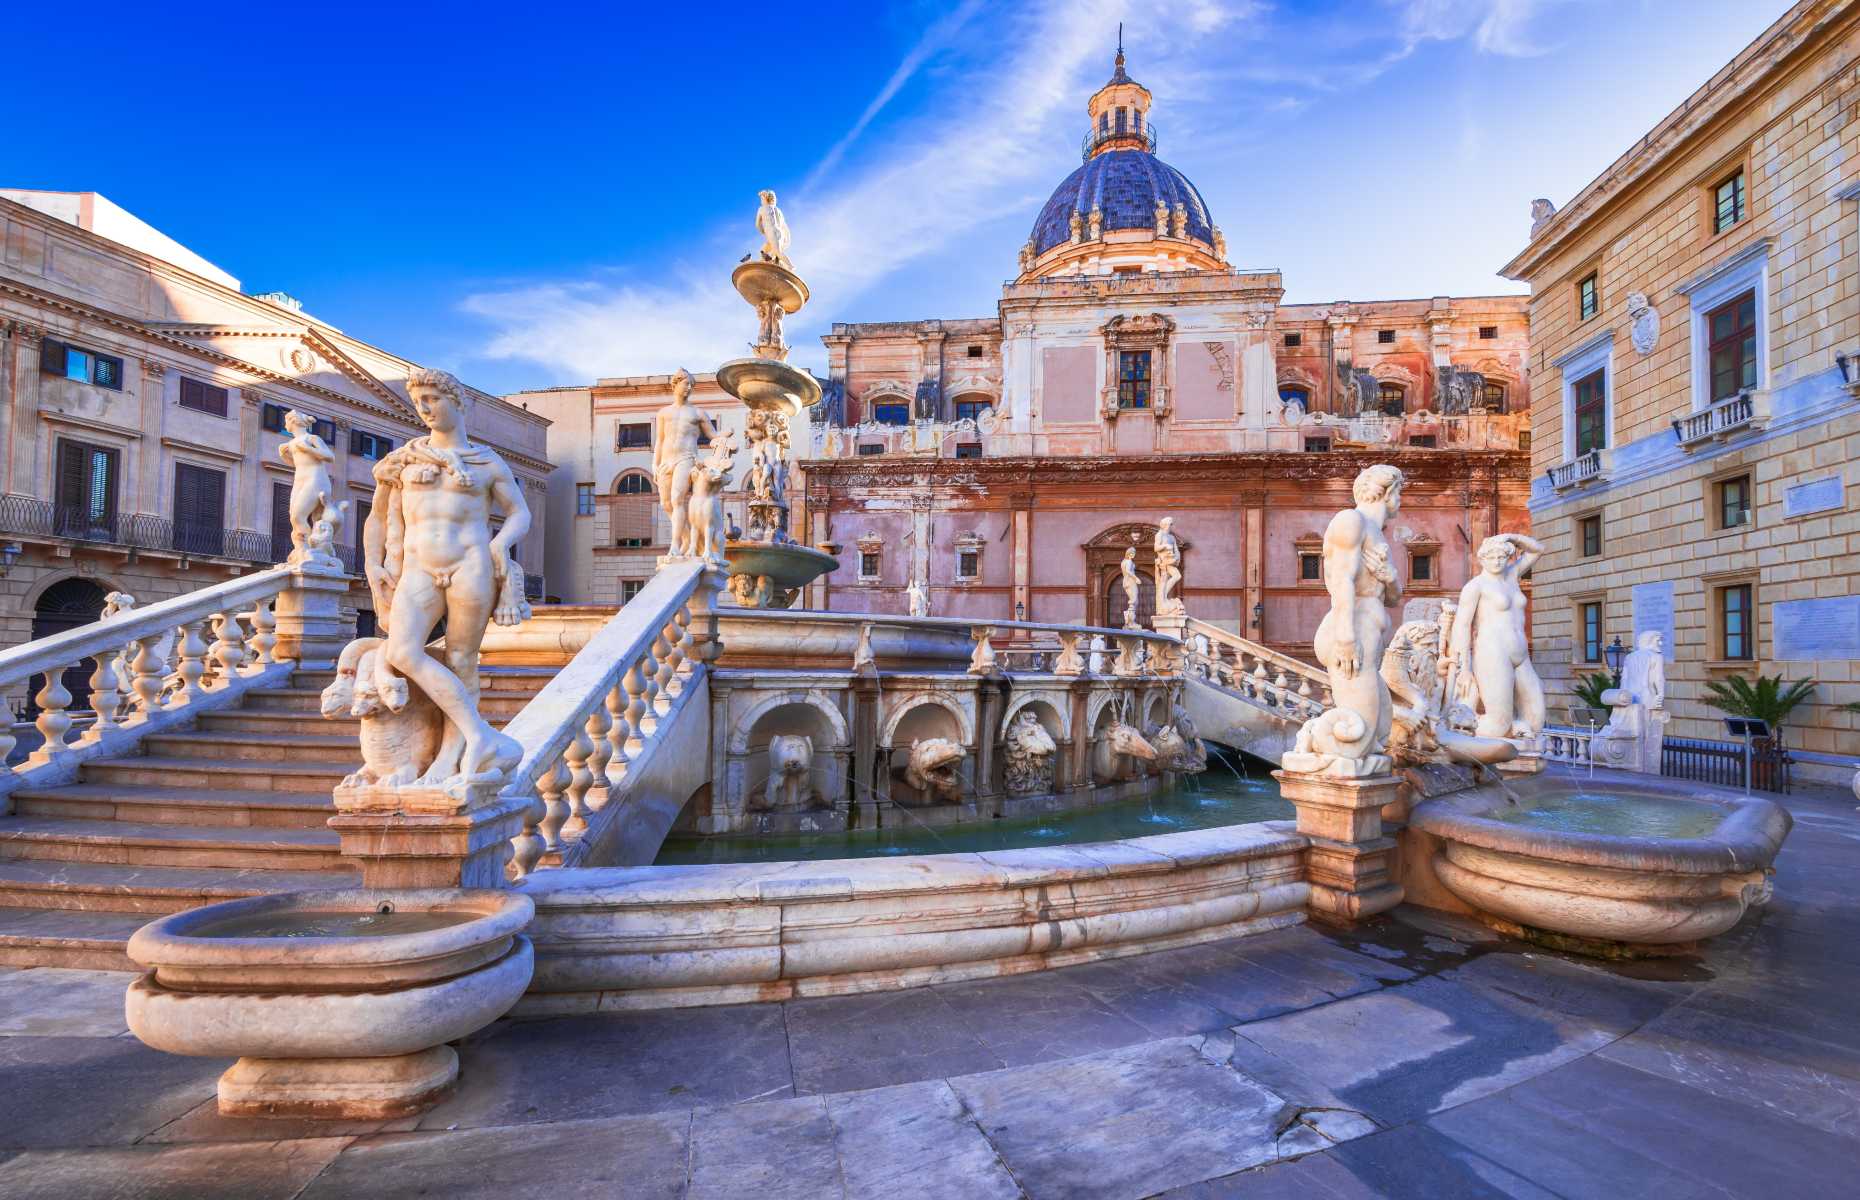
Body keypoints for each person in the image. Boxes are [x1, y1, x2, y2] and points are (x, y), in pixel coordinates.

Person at [363, 368, 529, 791]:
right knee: (401, 651)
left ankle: (451, 757)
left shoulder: (487, 462)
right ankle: (478, 734)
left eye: (433, 398)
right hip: (419, 564)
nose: (424, 408)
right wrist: (372, 562)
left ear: (459, 403)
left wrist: (500, 546)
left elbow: (519, 513)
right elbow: (378, 517)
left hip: (470, 562)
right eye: (419, 401)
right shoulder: (402, 461)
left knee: (462, 659)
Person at [1450, 532, 1546, 740]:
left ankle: (1511, 742)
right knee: (1497, 726)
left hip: (1520, 655)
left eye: (1501, 557)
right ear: (1482, 559)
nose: (1496, 561)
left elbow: (1538, 549)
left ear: (1508, 558)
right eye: (1491, 557)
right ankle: (1454, 728)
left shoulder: (1512, 576)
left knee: (1535, 721)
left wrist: (1511, 537)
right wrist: (1463, 668)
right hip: (1493, 654)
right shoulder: (1475, 586)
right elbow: (1461, 626)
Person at [652, 369, 721, 557]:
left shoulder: (698, 413)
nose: (689, 388)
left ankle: (674, 545)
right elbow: (659, 440)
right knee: (666, 504)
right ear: (675, 385)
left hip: (686, 458)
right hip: (666, 461)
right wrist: (654, 464)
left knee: (677, 499)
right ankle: (687, 538)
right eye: (686, 384)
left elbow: (713, 436)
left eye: (691, 385)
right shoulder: (663, 413)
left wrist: (725, 438)